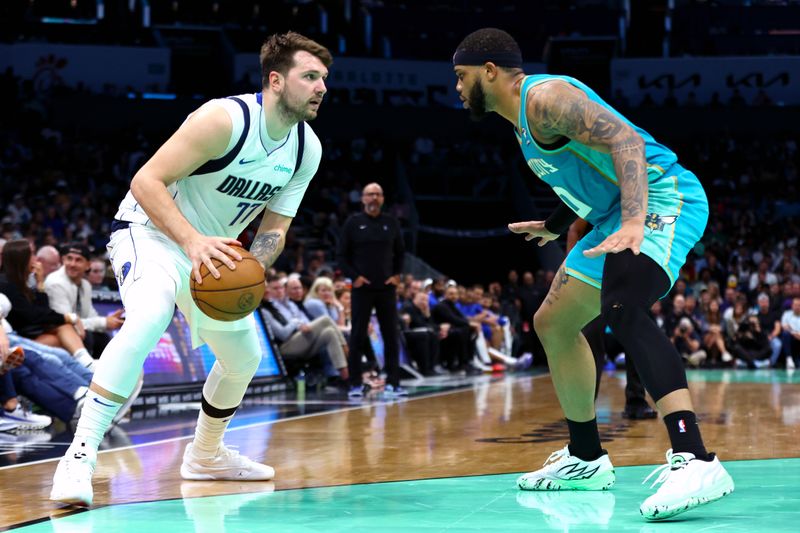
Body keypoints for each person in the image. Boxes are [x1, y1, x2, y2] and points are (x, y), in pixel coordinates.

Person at [452, 28, 732, 520]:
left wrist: (631, 220)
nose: (457, 86)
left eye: (462, 76)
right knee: (553, 324)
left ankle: (696, 458)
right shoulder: (520, 121)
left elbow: (624, 140)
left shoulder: (547, 97)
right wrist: (555, 224)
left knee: (622, 309)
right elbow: (582, 170)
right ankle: (586, 458)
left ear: (490, 71)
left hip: (663, 196)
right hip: (614, 214)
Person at [51, 31, 332, 507]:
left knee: (243, 356)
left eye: (324, 78)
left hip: (211, 255)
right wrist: (192, 240)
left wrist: (250, 269)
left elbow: (275, 229)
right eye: (310, 76)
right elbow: (146, 180)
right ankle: (79, 456)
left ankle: (206, 455)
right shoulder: (223, 119)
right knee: (148, 316)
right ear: (276, 80)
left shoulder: (307, 150)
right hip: (152, 233)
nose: (322, 87)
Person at [337, 183, 405, 398]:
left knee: (390, 335)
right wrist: (354, 277)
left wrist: (397, 275)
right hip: (362, 289)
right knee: (357, 335)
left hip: (386, 289)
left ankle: (393, 382)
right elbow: (341, 255)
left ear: (382, 198)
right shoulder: (353, 223)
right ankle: (355, 384)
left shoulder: (391, 222)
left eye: (377, 194)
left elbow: (401, 253)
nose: (374, 198)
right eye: (370, 194)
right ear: (363, 198)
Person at [44, 242, 125, 358]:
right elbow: (67, 322)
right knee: (87, 336)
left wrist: (109, 321)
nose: (72, 264)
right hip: (57, 331)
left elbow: (89, 316)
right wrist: (104, 322)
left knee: (103, 338)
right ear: (62, 260)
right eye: (69, 259)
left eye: (78, 260)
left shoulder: (85, 285)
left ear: (88, 265)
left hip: (76, 330)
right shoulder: (56, 282)